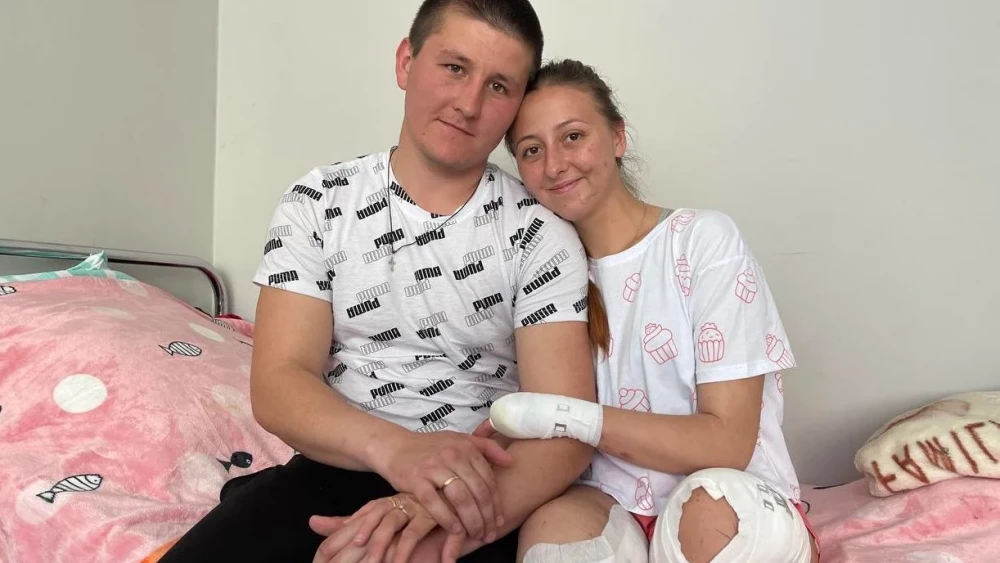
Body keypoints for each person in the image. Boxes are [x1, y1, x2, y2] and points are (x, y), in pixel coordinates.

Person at [159, 2, 599, 562]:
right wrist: (400, 452)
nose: (468, 104)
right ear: (406, 62)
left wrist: (441, 517)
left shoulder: (541, 234)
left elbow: (565, 431)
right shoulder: (317, 203)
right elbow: (279, 381)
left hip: (481, 489)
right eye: (454, 68)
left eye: (498, 86)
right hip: (338, 463)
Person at [480, 59, 821, 562]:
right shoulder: (539, 278)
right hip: (609, 500)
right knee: (554, 532)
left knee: (708, 513)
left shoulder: (702, 242)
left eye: (573, 137)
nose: (554, 165)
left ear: (617, 137)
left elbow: (727, 442)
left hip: (729, 494)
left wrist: (567, 418)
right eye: (532, 150)